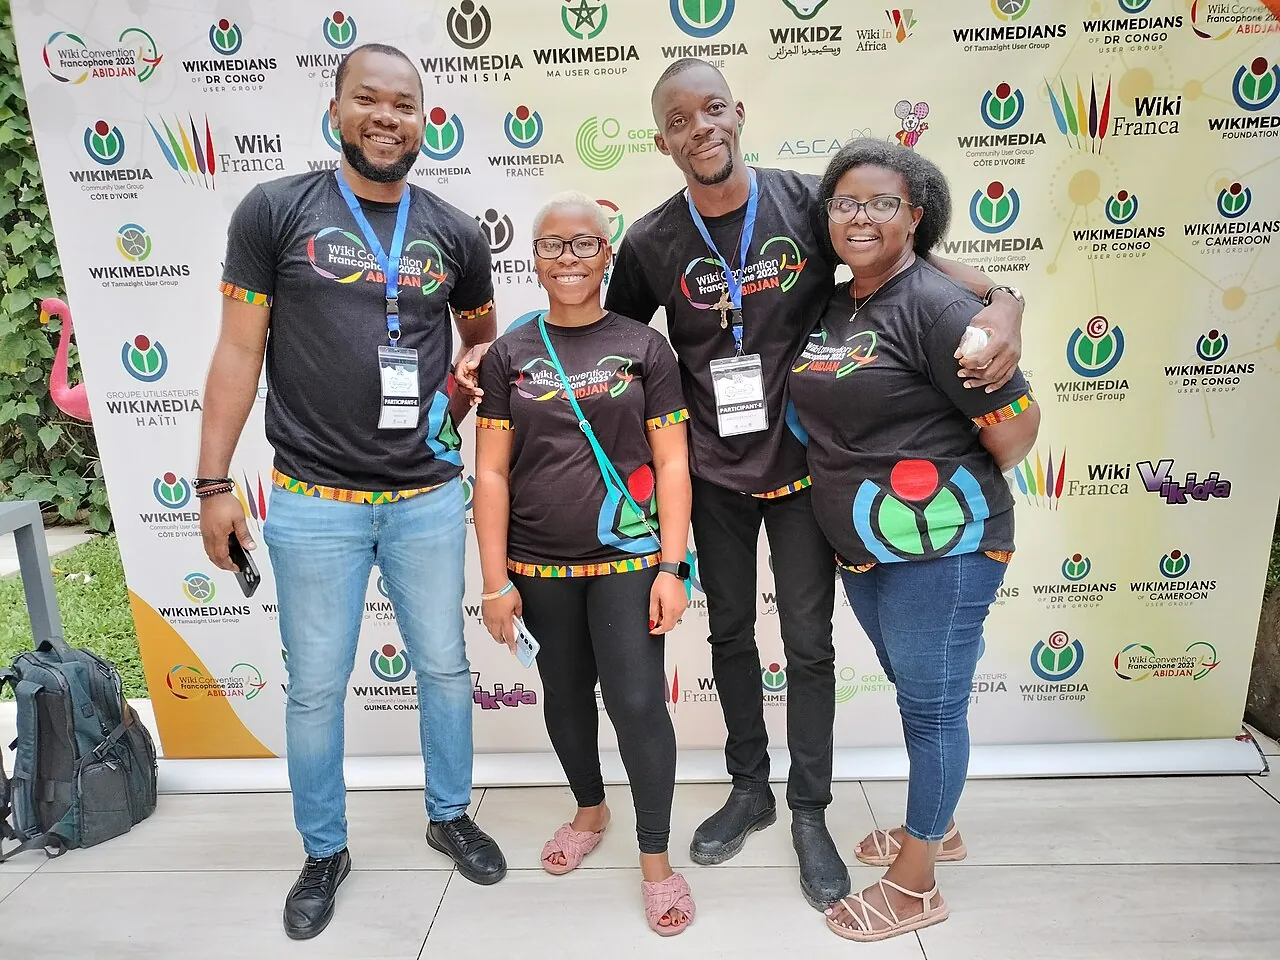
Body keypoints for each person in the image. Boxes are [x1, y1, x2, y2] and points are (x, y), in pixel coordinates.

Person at [456, 58, 1026, 910]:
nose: (701, 130)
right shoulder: (650, 239)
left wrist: (1006, 299)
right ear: (663, 140)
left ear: (739, 113)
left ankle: (809, 809)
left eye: (713, 110)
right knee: (729, 640)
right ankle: (751, 787)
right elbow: (606, 343)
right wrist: (507, 373)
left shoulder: (809, 201)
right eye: (680, 121)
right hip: (711, 475)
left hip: (805, 473)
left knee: (807, 647)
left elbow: (914, 260)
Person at [197, 43, 507, 941]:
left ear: (426, 121)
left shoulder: (452, 229)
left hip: (425, 498)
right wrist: (213, 483)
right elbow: (236, 353)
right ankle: (323, 849)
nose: (387, 117)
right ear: (335, 111)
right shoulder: (275, 211)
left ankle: (449, 814)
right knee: (315, 689)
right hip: (311, 503)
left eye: (404, 105)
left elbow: (481, 346)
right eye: (367, 100)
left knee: (444, 667)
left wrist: (466, 398)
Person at [789, 138, 1040, 941]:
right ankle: (942, 823)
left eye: (882, 203)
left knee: (933, 711)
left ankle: (917, 880)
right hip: (866, 551)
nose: (860, 217)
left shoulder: (936, 307)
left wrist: (1000, 305)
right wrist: (1005, 290)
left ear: (915, 216)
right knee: (915, 691)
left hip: (945, 551)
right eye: (846, 203)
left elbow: (1015, 432)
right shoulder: (838, 300)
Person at [472, 192, 697, 936]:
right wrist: (496, 579)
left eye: (583, 245)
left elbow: (670, 463)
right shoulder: (509, 352)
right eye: (551, 245)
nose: (567, 258)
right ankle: (590, 809)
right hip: (537, 568)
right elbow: (494, 473)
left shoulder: (645, 347)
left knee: (636, 705)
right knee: (563, 701)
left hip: (629, 561)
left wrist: (673, 566)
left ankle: (657, 862)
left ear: (608, 256)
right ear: (532, 259)